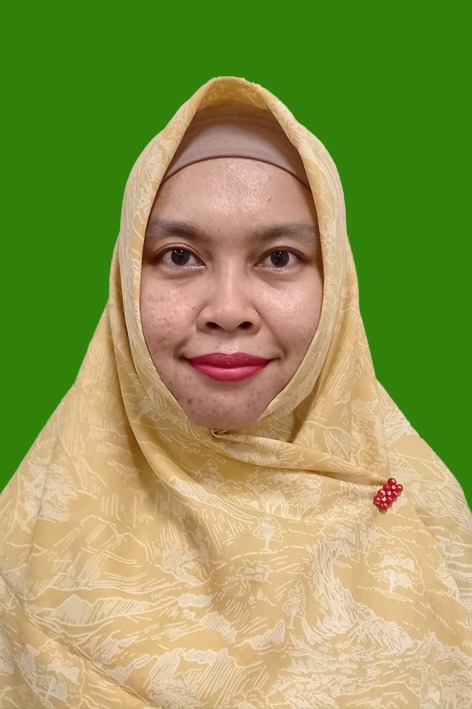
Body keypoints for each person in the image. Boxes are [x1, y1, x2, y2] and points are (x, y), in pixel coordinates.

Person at [0, 76, 471, 709]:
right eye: (179, 256)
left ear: (336, 285)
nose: (227, 310)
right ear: (125, 282)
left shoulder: (413, 511)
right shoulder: (28, 539)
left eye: (278, 258)